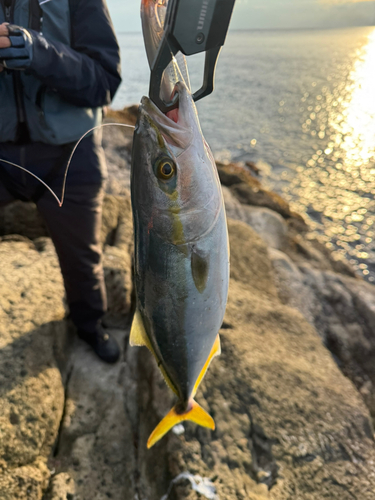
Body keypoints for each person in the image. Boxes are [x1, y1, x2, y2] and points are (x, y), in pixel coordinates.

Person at [0, 0, 122, 363]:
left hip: (69, 159)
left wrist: (39, 52)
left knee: (83, 260)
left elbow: (104, 84)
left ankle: (89, 327)